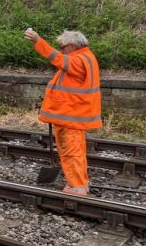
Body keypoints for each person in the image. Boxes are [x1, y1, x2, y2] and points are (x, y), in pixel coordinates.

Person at [24, 28, 101, 196]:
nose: (61, 50)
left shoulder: (79, 60)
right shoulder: (85, 58)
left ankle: (77, 187)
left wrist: (38, 40)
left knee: (70, 152)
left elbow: (57, 59)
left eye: (63, 47)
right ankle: (81, 183)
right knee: (76, 152)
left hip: (70, 116)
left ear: (72, 46)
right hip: (71, 116)